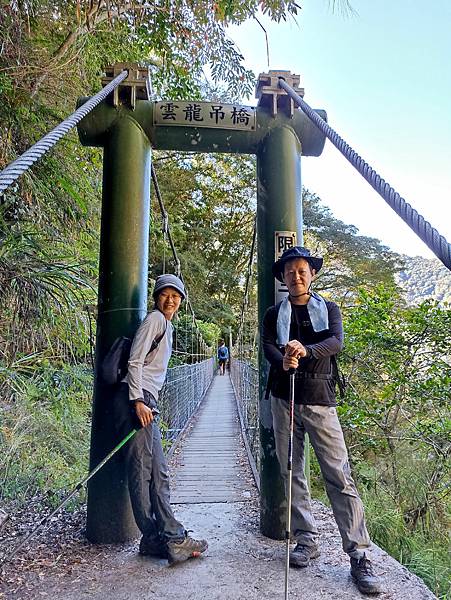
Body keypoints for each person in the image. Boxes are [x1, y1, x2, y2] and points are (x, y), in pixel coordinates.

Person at [262, 246, 380, 595]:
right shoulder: (274, 313)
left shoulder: (328, 309)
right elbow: (268, 344)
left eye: (302, 270)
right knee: (292, 471)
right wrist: (282, 359)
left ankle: (359, 555)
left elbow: (335, 342)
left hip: (320, 400)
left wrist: (305, 350)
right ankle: (306, 539)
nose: (295, 276)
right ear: (282, 278)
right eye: (289, 271)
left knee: (338, 474)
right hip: (284, 399)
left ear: (311, 274)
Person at [113, 274, 208, 564]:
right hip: (138, 401)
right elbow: (135, 360)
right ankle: (165, 537)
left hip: (145, 400)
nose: (171, 300)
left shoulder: (166, 325)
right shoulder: (155, 320)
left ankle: (159, 537)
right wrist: (138, 400)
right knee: (144, 471)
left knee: (158, 472)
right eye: (165, 294)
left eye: (176, 296)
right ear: (156, 297)